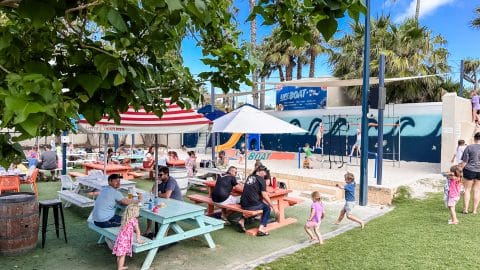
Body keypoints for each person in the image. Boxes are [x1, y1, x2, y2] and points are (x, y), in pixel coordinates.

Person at [143, 166, 182, 236]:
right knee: (150, 208)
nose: (158, 176)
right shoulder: (160, 180)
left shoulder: (171, 181)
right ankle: (148, 230)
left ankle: (163, 234)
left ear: (167, 174)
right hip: (166, 202)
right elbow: (152, 192)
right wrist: (156, 182)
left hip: (176, 204)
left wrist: (157, 194)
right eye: (157, 174)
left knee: (163, 213)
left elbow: (167, 196)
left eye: (160, 175)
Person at [238, 165, 276, 237]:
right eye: (264, 173)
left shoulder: (250, 177)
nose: (265, 175)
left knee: (258, 203)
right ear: (260, 171)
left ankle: (241, 221)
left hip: (243, 203)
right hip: (251, 205)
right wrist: (272, 205)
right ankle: (261, 229)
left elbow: (254, 188)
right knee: (267, 208)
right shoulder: (261, 180)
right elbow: (264, 195)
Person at [112, 203, 144, 270]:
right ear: (134, 213)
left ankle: (119, 266)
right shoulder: (134, 220)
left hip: (120, 238)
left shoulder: (125, 218)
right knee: (123, 255)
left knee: (119, 254)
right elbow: (138, 231)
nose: (139, 212)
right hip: (125, 240)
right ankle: (120, 268)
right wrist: (139, 240)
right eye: (138, 211)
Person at [459, 132, 480, 214]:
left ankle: (465, 209)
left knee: (467, 190)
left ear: (474, 138)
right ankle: (474, 210)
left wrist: (460, 170)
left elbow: (464, 162)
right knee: (477, 191)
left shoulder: (469, 147)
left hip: (469, 170)